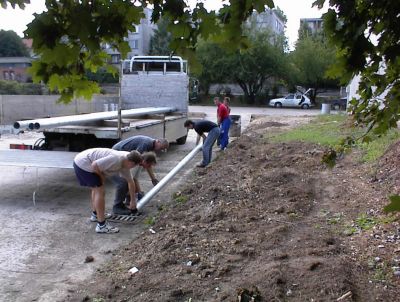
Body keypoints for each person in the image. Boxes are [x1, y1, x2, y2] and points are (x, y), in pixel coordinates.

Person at [73, 148, 142, 234]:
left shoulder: (126, 162)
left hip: (83, 161)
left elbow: (130, 182)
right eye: (134, 166)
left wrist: (133, 201)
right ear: (131, 163)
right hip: (83, 164)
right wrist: (101, 176)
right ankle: (102, 225)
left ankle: (96, 215)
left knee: (96, 189)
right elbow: (95, 165)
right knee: (100, 191)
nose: (133, 168)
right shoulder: (116, 159)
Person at [111, 135, 169, 215]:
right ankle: (117, 206)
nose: (160, 150)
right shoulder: (145, 145)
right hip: (116, 154)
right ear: (158, 141)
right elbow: (133, 176)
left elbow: (147, 165)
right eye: (161, 147)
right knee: (123, 182)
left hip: (124, 157)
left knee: (130, 179)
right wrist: (137, 195)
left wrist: (153, 179)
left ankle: (128, 201)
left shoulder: (151, 146)